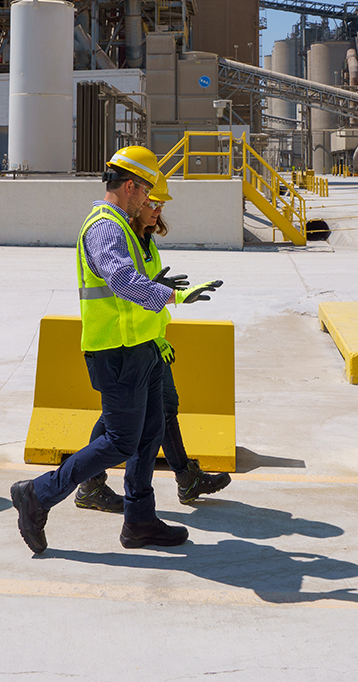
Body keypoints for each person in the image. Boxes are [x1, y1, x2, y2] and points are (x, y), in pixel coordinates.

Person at [10, 146, 221, 554]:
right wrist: (175, 296)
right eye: (146, 192)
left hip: (141, 348)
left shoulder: (126, 225)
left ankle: (140, 521)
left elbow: (131, 288)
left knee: (149, 434)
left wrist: (158, 316)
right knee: (121, 441)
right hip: (116, 352)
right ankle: (38, 493)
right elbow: (123, 282)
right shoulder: (104, 226)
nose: (149, 200)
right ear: (130, 187)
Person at [74, 174, 230, 512]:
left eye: (160, 203)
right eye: (151, 200)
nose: (157, 208)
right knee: (126, 426)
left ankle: (178, 481)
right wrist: (167, 296)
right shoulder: (115, 233)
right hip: (125, 346)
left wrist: (159, 335)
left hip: (148, 342)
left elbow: (144, 296)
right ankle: (90, 486)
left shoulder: (146, 240)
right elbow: (127, 289)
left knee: (160, 412)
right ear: (135, 197)